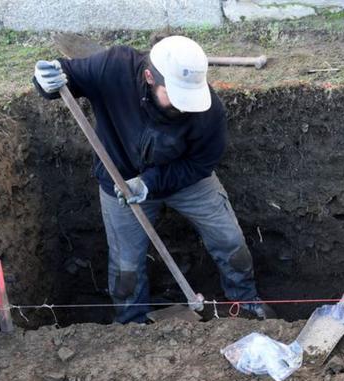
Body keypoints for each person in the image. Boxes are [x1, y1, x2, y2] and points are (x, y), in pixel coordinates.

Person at [32, 36, 274, 323]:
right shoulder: (115, 68)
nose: (184, 106)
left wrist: (149, 183)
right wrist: (46, 82)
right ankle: (133, 325)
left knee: (230, 241)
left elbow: (201, 163)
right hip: (120, 183)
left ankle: (244, 301)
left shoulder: (207, 110)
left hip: (185, 180)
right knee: (126, 268)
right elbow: (68, 77)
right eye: (175, 94)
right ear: (149, 76)